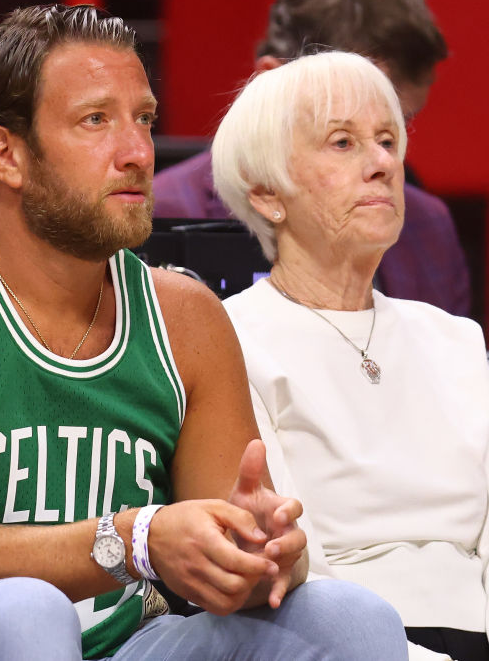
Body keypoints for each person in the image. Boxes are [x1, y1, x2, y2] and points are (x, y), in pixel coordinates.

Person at [0, 3, 408, 659]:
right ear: (7, 154)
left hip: (123, 645)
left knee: (348, 616)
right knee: (23, 609)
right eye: (96, 120)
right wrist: (137, 538)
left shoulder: (185, 314)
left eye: (144, 119)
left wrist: (263, 555)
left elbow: (225, 572)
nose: (138, 152)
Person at [215, 50, 489, 661]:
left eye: (388, 141)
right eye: (343, 143)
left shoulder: (457, 339)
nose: (382, 164)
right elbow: (290, 566)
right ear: (266, 194)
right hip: (341, 640)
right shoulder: (230, 340)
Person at [153, 0, 469, 317]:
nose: (385, 161)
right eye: (343, 138)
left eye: (392, 131)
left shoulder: (430, 224)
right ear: (269, 82)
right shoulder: (161, 212)